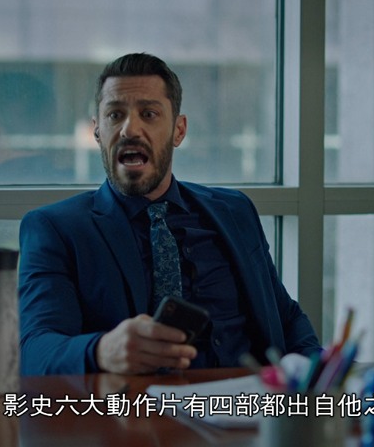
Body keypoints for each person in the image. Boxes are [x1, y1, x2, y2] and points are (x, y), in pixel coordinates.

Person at [18, 53, 320, 375]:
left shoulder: (235, 210)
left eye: (149, 114)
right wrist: (102, 351)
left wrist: (323, 369)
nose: (130, 129)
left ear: (179, 130)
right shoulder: (56, 229)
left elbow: (286, 318)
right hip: (138, 404)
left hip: (252, 399)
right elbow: (34, 350)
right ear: (97, 132)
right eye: (115, 115)